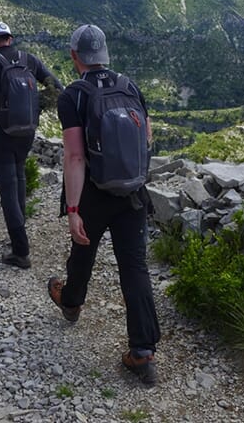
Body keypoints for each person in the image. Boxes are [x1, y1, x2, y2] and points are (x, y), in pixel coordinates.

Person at [47, 24, 161, 385]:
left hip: (95, 192)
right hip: (132, 194)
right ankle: (142, 352)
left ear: (74, 56)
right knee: (135, 267)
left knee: (83, 248)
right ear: (106, 54)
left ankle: (71, 302)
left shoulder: (73, 96)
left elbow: (75, 157)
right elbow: (146, 137)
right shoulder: (129, 86)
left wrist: (74, 209)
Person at [0, 21, 63, 268]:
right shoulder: (31, 60)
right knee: (19, 177)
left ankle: (20, 250)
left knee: (7, 187)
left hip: (1, 130)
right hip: (27, 131)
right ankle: (19, 235)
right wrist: (36, 107)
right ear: (10, 38)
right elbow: (57, 88)